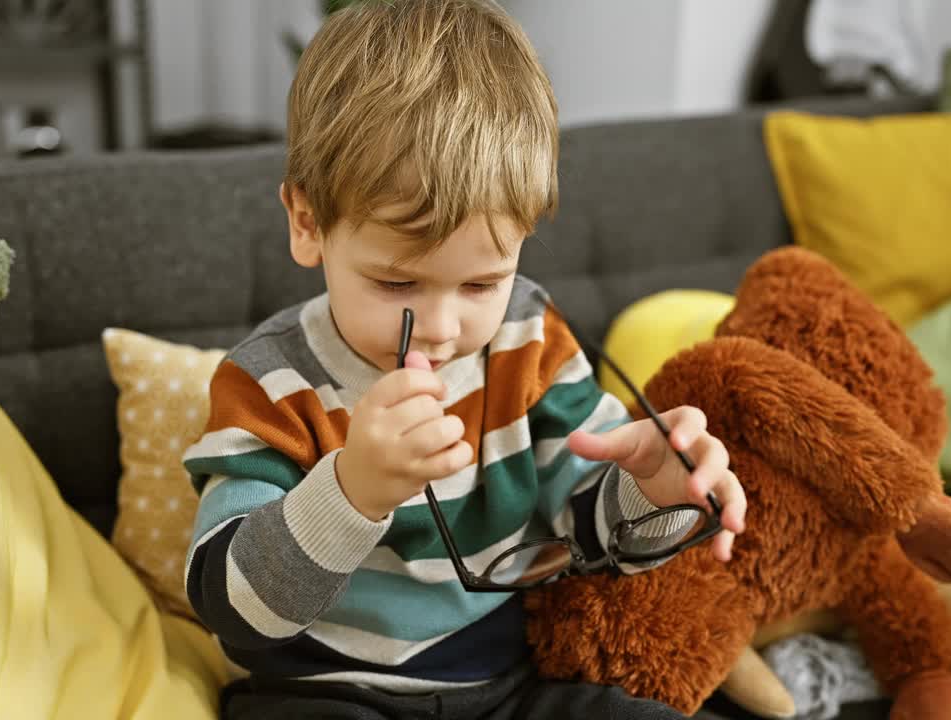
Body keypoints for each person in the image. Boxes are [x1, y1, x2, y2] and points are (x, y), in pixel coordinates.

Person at [181, 2, 747, 717]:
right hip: (326, 694)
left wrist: (655, 492)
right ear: (307, 224)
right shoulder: (269, 385)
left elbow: (593, 536)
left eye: (482, 283)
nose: (443, 329)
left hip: (511, 686)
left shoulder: (526, 339)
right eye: (396, 283)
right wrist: (353, 491)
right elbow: (230, 609)